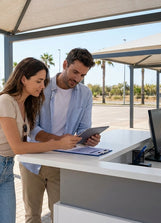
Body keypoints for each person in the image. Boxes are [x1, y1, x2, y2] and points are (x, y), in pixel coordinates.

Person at [0, 57, 81, 223]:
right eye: (39, 81)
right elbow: (18, 147)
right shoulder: (5, 101)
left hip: (6, 169)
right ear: (24, 78)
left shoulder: (28, 105)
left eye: (44, 81)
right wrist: (58, 144)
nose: (43, 86)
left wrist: (60, 140)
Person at [19, 48, 100, 223]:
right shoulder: (41, 87)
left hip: (61, 163)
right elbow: (31, 128)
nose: (77, 79)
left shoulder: (85, 94)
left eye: (82, 75)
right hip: (32, 162)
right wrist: (59, 141)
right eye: (75, 72)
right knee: (32, 216)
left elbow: (84, 127)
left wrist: (89, 139)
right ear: (65, 65)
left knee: (61, 216)